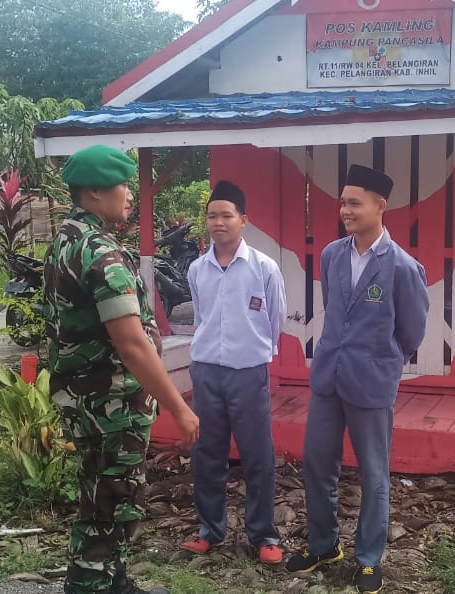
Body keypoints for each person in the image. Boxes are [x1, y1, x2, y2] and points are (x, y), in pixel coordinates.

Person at [44, 144, 201, 594]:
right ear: (94, 191)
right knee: (112, 504)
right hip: (110, 402)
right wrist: (179, 408)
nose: (130, 194)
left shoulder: (66, 241)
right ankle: (92, 583)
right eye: (122, 184)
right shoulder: (99, 252)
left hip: (87, 399)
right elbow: (132, 345)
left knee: (105, 498)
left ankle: (113, 581)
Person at [284, 164, 430, 593]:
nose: (344, 210)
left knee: (373, 473)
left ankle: (369, 558)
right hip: (328, 378)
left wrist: (382, 360)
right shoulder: (331, 254)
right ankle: (323, 544)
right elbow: (337, 309)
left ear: (379, 206)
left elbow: (412, 331)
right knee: (316, 463)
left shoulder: (402, 267)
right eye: (342, 202)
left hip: (371, 383)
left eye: (353, 202)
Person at [178, 180, 288, 564]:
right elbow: (203, 316)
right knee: (207, 453)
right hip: (207, 372)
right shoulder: (197, 269)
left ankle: (264, 534)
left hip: (248, 373)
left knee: (258, 455)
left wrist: (256, 354)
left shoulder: (264, 268)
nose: (218, 223)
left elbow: (275, 320)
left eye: (227, 215)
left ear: (244, 220)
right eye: (212, 216)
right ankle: (210, 530)